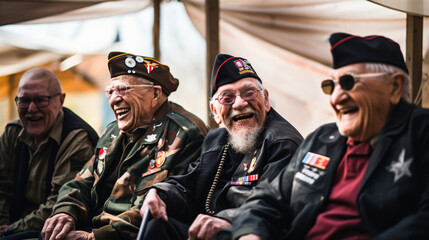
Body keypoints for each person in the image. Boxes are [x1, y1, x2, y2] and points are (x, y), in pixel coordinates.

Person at [217, 32, 429, 240]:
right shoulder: (322, 139)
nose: (335, 97)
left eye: (348, 82)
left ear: (395, 86)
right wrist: (250, 233)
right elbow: (269, 199)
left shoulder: (420, 133)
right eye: (330, 86)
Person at [41, 52, 208, 240]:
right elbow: (81, 182)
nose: (114, 99)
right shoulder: (112, 131)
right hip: (91, 228)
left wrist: (94, 238)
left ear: (155, 94)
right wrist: (65, 212)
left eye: (123, 89)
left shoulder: (186, 133)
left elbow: (167, 207)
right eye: (110, 91)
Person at [140, 53, 303, 240]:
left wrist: (227, 220)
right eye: (227, 98)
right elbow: (188, 185)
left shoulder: (282, 142)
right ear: (215, 112)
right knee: (155, 222)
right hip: (205, 231)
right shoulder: (216, 139)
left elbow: (271, 205)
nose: (240, 103)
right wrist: (159, 193)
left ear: (265, 100)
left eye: (249, 93)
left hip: (247, 231)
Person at [0, 68, 99, 239]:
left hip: (52, 232)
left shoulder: (77, 139)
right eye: (24, 100)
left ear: (61, 100)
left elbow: (60, 203)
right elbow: (2, 188)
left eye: (40, 100)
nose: (31, 109)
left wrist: (10, 230)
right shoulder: (12, 132)